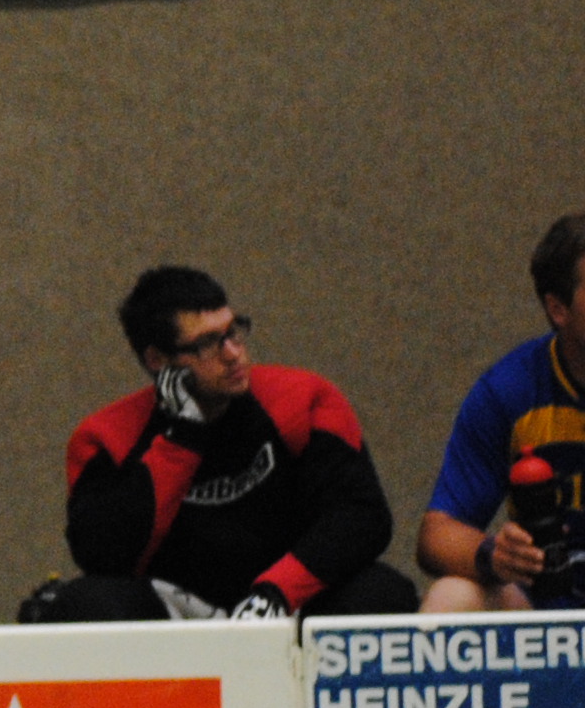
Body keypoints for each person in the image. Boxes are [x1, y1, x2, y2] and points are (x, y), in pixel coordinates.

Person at [27, 266, 416, 622]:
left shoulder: (302, 399)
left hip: (287, 599)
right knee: (85, 603)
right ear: (158, 360)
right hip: (179, 609)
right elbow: (102, 556)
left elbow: (363, 517)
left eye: (233, 332)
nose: (233, 354)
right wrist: (183, 436)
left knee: (382, 592)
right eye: (207, 344)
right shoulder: (106, 437)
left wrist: (277, 592)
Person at [419, 214, 585, 613]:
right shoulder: (510, 388)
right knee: (452, 595)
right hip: (539, 613)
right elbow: (437, 534)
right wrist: (493, 554)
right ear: (559, 309)